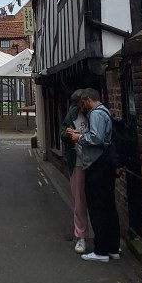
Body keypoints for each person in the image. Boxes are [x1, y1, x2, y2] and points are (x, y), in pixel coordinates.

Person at [65, 87, 121, 262]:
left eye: (83, 103)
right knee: (109, 206)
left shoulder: (96, 114)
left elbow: (96, 138)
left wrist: (79, 138)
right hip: (105, 163)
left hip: (97, 164)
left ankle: (101, 251)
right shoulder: (105, 112)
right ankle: (113, 248)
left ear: (88, 99)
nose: (82, 107)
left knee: (97, 208)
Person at [60, 89, 91, 253]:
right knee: (79, 202)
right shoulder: (72, 114)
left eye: (79, 103)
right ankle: (81, 236)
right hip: (77, 162)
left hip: (94, 162)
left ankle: (104, 237)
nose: (79, 106)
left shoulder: (94, 113)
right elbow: (62, 133)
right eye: (78, 104)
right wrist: (67, 134)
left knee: (97, 200)